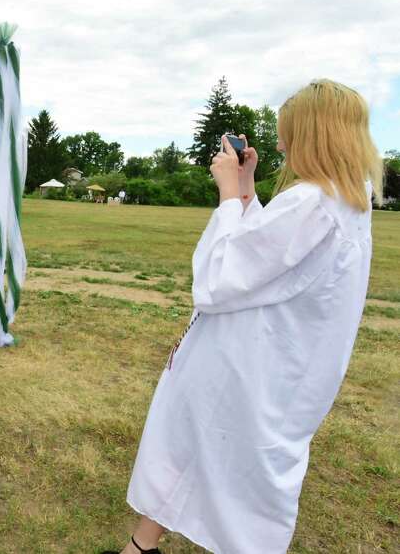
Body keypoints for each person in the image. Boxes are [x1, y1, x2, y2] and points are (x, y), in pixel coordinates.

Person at [108, 81, 385, 554]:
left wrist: (226, 195)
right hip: (279, 362)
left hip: (253, 363)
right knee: (194, 446)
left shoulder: (313, 201)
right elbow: (272, 255)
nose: (279, 144)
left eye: (288, 134)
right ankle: (140, 545)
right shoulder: (345, 197)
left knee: (225, 462)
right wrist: (248, 189)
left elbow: (222, 276)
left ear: (314, 135)